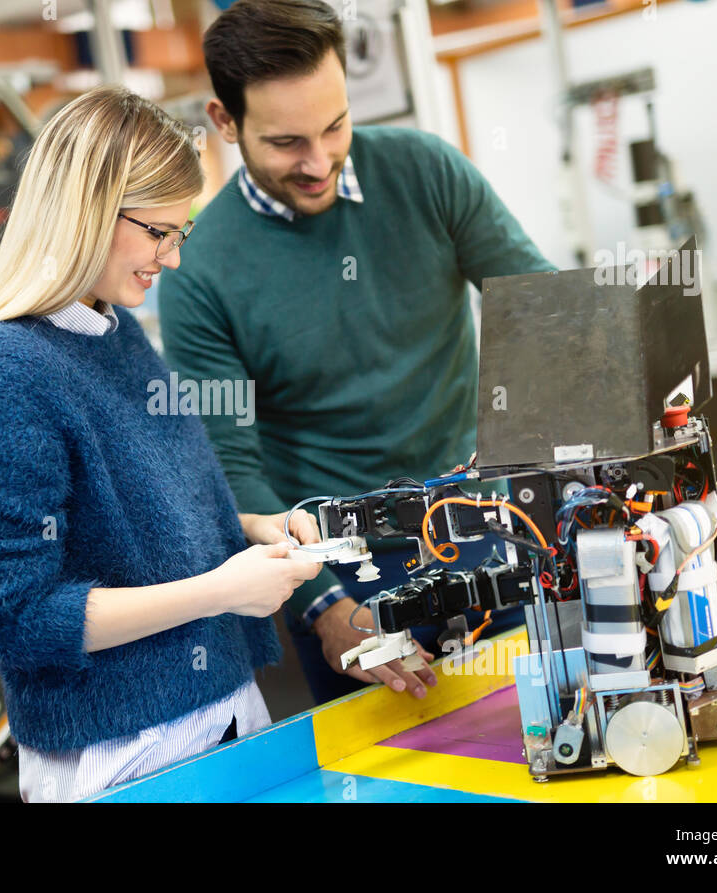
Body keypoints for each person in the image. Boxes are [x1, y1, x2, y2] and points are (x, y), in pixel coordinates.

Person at [158, 0, 556, 706]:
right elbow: (230, 467)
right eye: (286, 143)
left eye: (335, 125)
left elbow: (542, 310)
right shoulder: (199, 270)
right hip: (345, 578)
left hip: (489, 534)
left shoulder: (427, 172)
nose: (320, 163)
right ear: (224, 123)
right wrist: (321, 608)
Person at [0, 86, 324, 802]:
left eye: (183, 233)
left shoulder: (119, 335)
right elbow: (21, 618)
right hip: (124, 756)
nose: (171, 259)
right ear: (88, 210)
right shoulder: (5, 373)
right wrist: (221, 589)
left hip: (226, 719)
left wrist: (249, 531)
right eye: (158, 233)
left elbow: (145, 527)